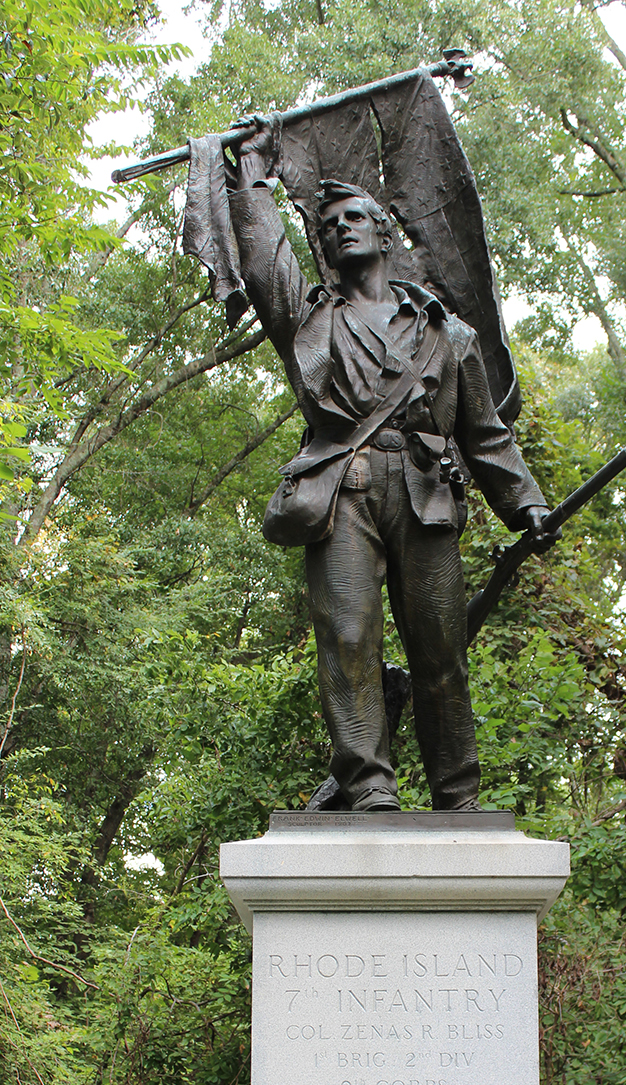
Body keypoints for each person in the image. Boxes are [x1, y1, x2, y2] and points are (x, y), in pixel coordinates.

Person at [230, 118, 548, 812]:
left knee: (440, 650)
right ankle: (369, 783)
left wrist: (524, 502)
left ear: (382, 233)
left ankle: (456, 793)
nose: (340, 229)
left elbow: (485, 434)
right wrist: (252, 169)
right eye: (328, 224)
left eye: (354, 218)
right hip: (343, 492)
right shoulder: (310, 318)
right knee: (347, 641)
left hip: (426, 494)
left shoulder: (446, 332)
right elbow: (262, 262)